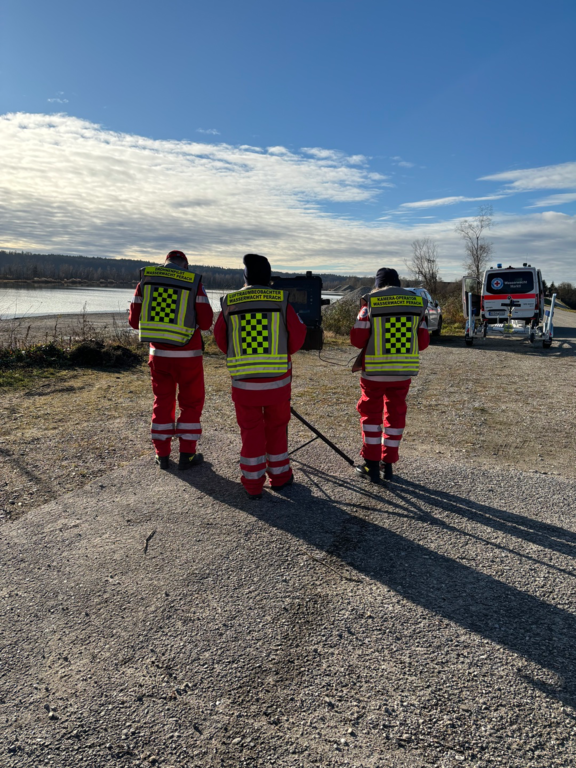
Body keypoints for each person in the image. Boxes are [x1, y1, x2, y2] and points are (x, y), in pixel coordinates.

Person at [214, 254, 307, 499]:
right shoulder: (281, 300)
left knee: (250, 432)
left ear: (245, 276)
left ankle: (253, 485)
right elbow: (298, 336)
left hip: (244, 384)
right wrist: (282, 352)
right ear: (268, 276)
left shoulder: (229, 302)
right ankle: (280, 478)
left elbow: (221, 339)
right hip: (277, 382)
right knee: (277, 428)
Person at [129, 250, 214, 470]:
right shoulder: (194, 282)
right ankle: (187, 454)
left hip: (159, 356)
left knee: (162, 402)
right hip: (189, 356)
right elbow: (206, 323)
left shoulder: (145, 281)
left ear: (165, 263)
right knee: (191, 403)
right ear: (185, 266)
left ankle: (162, 455)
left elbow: (134, 322)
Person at [350, 267, 429, 484]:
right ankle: (388, 465)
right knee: (395, 417)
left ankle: (371, 465)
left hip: (374, 374)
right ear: (398, 283)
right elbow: (423, 342)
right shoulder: (417, 304)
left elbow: (357, 339)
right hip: (402, 373)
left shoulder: (370, 303)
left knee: (371, 418)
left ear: (378, 285)